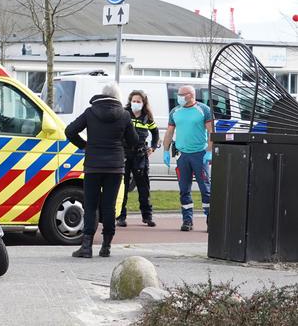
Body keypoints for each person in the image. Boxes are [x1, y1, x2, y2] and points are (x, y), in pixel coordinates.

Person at [65, 83, 138, 258]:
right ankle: (106, 246)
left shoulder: (90, 112)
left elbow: (70, 131)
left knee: (90, 205)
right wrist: (122, 149)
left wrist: (85, 145)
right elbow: (134, 140)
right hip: (115, 167)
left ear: (101, 95)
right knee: (109, 206)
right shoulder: (124, 115)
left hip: (93, 165)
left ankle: (86, 247)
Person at [162, 85, 213, 231]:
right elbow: (169, 132)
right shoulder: (175, 111)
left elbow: (211, 132)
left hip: (200, 155)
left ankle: (210, 218)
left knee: (205, 189)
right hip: (182, 156)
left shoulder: (204, 110)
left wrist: (209, 152)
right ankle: (187, 220)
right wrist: (166, 150)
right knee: (184, 189)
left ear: (191, 95)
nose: (179, 97)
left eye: (181, 94)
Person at [116, 90, 159, 228]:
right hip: (124, 154)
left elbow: (155, 132)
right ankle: (121, 216)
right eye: (134, 101)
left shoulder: (147, 117)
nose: (136, 103)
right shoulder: (124, 113)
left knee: (143, 187)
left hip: (140, 155)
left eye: (138, 101)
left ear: (143, 103)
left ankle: (147, 216)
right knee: (122, 186)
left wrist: (153, 147)